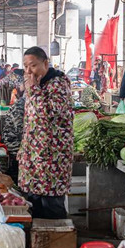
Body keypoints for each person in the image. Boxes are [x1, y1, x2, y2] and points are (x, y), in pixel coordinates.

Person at [18, 47, 73, 219]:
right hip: (35, 155)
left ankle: (58, 242)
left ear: (46, 63)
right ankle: (40, 241)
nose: (28, 71)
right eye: (26, 66)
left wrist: (33, 90)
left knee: (51, 203)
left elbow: (47, 115)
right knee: (35, 203)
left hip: (52, 157)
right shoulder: (37, 85)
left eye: (33, 66)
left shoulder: (58, 84)